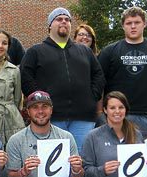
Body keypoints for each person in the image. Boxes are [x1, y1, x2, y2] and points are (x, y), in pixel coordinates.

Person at [20, 7, 105, 154]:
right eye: (59, 19)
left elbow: (98, 75)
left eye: (67, 19)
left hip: (83, 119)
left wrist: (92, 96)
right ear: (50, 25)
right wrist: (40, 102)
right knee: (53, 160)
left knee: (79, 161)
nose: (64, 21)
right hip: (52, 119)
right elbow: (26, 78)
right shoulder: (35, 51)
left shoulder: (85, 52)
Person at [98, 6, 147, 138]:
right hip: (117, 115)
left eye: (137, 22)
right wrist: (100, 113)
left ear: (145, 24)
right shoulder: (109, 52)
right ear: (123, 26)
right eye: (129, 23)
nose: (133, 26)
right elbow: (98, 83)